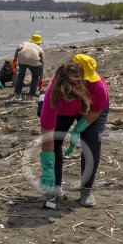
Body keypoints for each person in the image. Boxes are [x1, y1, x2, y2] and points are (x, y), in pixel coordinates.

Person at [39, 54, 110, 208]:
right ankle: (55, 187)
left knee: (91, 142)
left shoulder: (97, 86)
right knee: (56, 141)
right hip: (62, 111)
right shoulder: (53, 93)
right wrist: (47, 168)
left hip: (90, 109)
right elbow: (48, 135)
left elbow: (96, 111)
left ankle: (86, 189)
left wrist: (78, 129)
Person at [11, 33, 44, 103]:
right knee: (35, 77)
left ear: (31, 40)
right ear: (39, 43)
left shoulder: (25, 43)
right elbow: (42, 64)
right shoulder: (40, 49)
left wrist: (14, 61)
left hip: (22, 58)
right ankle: (30, 97)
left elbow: (18, 49)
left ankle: (17, 95)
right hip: (34, 59)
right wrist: (40, 79)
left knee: (21, 75)